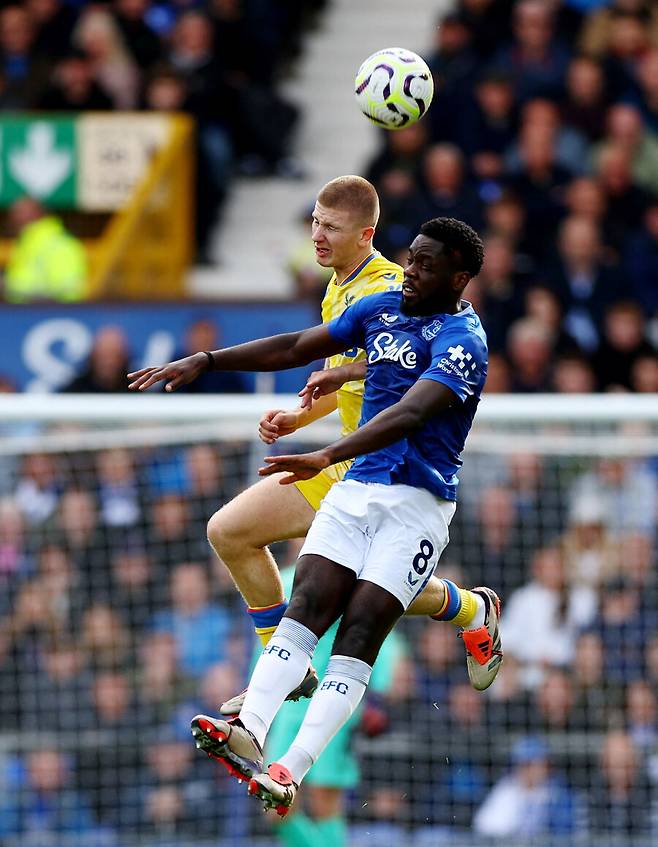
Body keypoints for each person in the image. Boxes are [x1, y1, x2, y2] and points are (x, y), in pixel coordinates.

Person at [128, 216, 502, 814]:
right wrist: (207, 360)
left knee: (358, 631)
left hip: (417, 505)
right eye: (411, 257)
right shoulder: (382, 306)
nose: (411, 269)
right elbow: (298, 346)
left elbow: (409, 412)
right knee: (304, 608)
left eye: (427, 265)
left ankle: (290, 769)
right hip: (355, 489)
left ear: (459, 278)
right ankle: (249, 727)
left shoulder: (464, 342)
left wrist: (325, 450)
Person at [3, 196, 87, 303]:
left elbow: (70, 290)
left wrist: (30, 297)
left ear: (37, 214)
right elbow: (19, 283)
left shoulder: (60, 244)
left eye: (20, 213)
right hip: (22, 314)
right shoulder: (25, 243)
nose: (14, 219)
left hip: (52, 314)